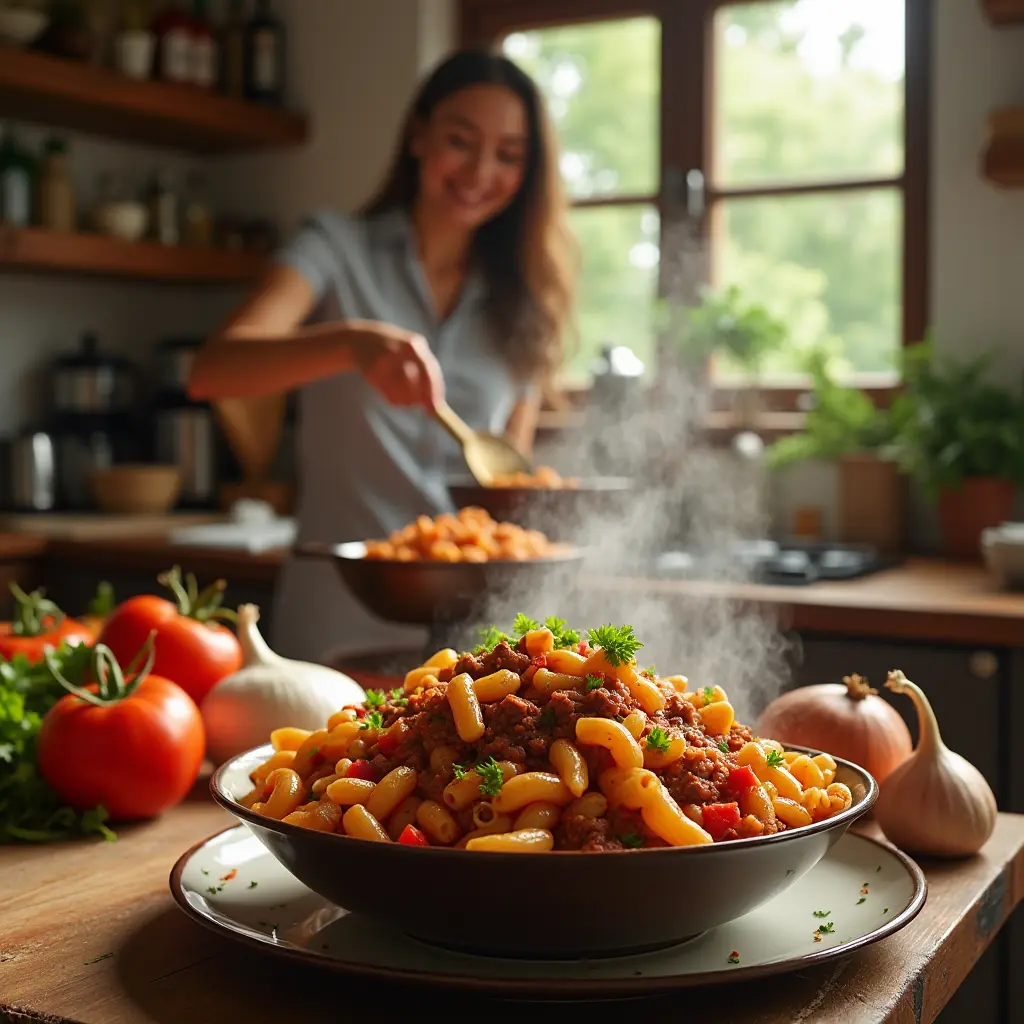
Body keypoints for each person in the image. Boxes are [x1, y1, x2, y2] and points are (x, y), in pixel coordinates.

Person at [189, 49, 577, 662]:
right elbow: (213, 370)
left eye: (509, 154)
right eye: (461, 140)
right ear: (419, 136)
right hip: (333, 624)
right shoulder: (332, 247)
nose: (481, 170)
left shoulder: (525, 304)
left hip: (469, 643)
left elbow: (505, 488)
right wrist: (350, 344)